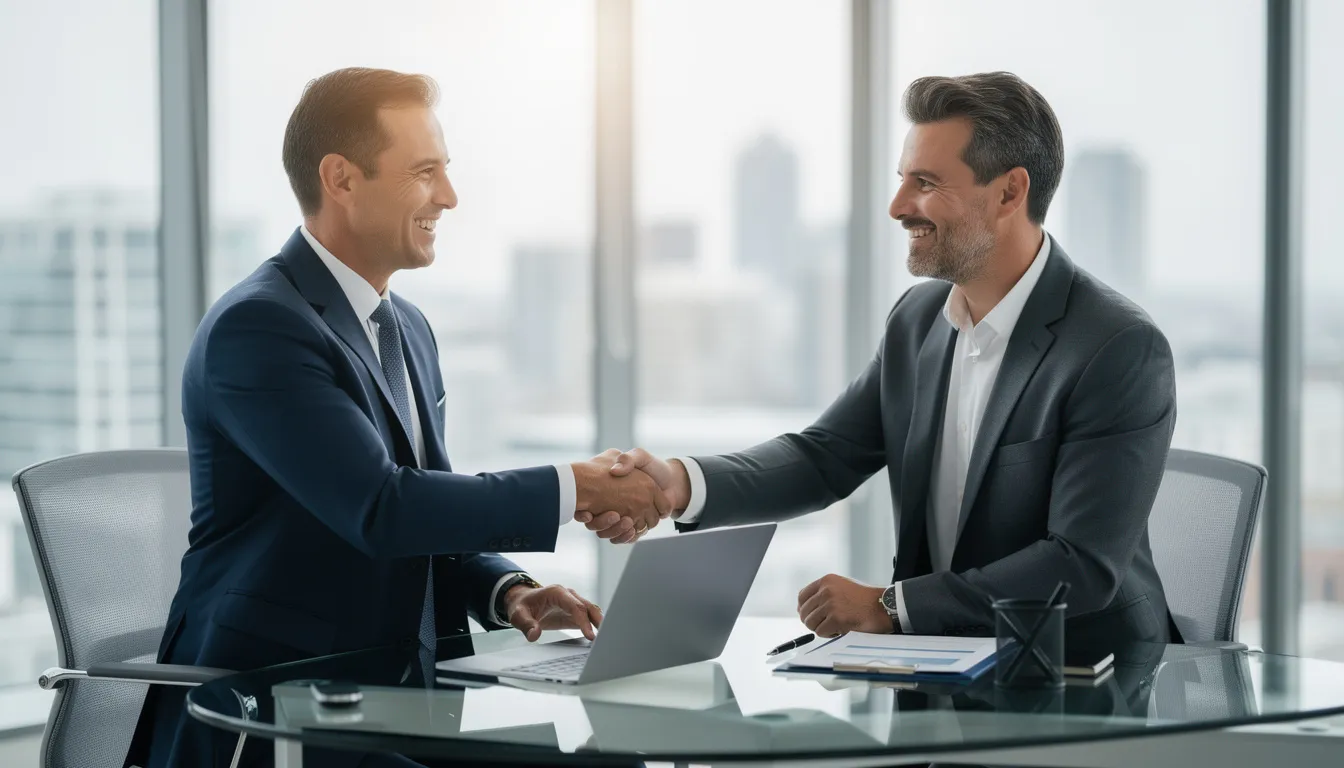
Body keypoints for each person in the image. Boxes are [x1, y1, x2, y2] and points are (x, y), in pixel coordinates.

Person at [125, 67, 669, 768]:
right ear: (342, 179)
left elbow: (430, 516)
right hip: (277, 711)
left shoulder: (405, 327)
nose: (448, 196)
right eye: (424, 172)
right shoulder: (258, 328)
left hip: (396, 698)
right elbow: (381, 509)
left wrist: (510, 594)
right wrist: (579, 487)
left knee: (614, 755)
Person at [585, 71, 1177, 648]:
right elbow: (824, 458)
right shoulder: (917, 321)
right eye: (902, 179)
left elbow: (1080, 565)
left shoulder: (1116, 348)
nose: (897, 206)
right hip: (938, 668)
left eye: (925, 181)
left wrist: (892, 605)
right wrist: (679, 484)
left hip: (1083, 681)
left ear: (1009, 192)